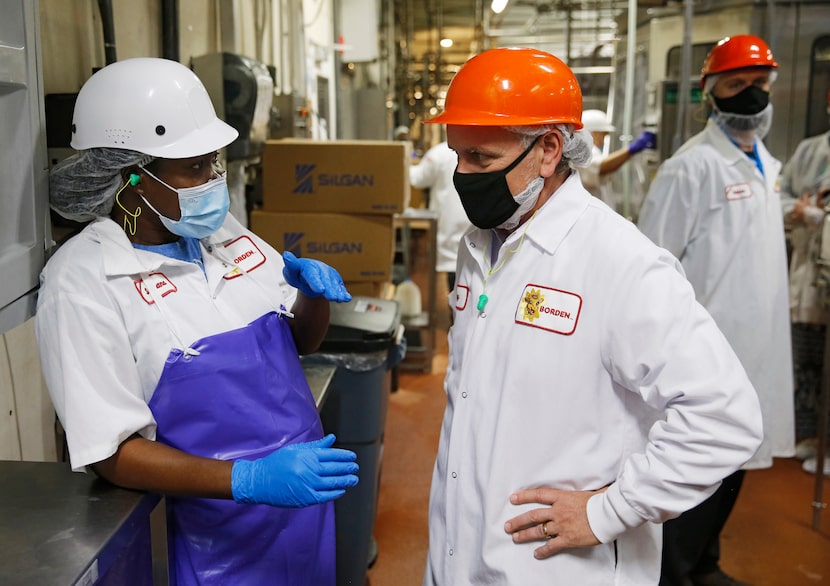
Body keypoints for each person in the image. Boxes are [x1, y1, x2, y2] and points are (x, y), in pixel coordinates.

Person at [420, 46, 763, 586]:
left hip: (561, 569)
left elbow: (725, 419)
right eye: (456, 155)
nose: (463, 176)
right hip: (462, 556)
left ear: (549, 150)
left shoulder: (621, 262)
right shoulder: (480, 245)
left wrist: (609, 511)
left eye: (481, 159)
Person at [36, 57, 360, 586]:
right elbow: (111, 453)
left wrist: (311, 298)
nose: (213, 180)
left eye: (214, 162)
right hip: (209, 539)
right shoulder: (85, 280)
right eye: (193, 167)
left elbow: (300, 342)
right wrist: (249, 479)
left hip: (300, 515)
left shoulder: (224, 236)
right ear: (129, 177)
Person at [638, 35, 795, 586]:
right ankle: (675, 573)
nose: (751, 94)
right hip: (713, 344)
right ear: (710, 93)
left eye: (759, 84)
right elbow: (650, 264)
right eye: (736, 85)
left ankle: (705, 564)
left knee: (737, 460)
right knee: (700, 467)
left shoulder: (764, 161)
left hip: (759, 339)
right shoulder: (692, 167)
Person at [781, 94, 830, 471]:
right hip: (810, 272)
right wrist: (799, 211)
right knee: (809, 359)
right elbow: (782, 197)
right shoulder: (811, 151)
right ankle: (812, 437)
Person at [408, 141, 472, 293]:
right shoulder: (485, 147)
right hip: (477, 221)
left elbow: (418, 179)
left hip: (450, 222)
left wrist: (403, 162)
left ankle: (456, 313)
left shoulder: (439, 153)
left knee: (455, 270)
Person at [578, 109, 656, 212]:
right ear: (594, 133)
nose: (603, 139)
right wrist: (631, 149)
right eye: (603, 134)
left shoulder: (592, 151)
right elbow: (602, 167)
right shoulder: (582, 152)